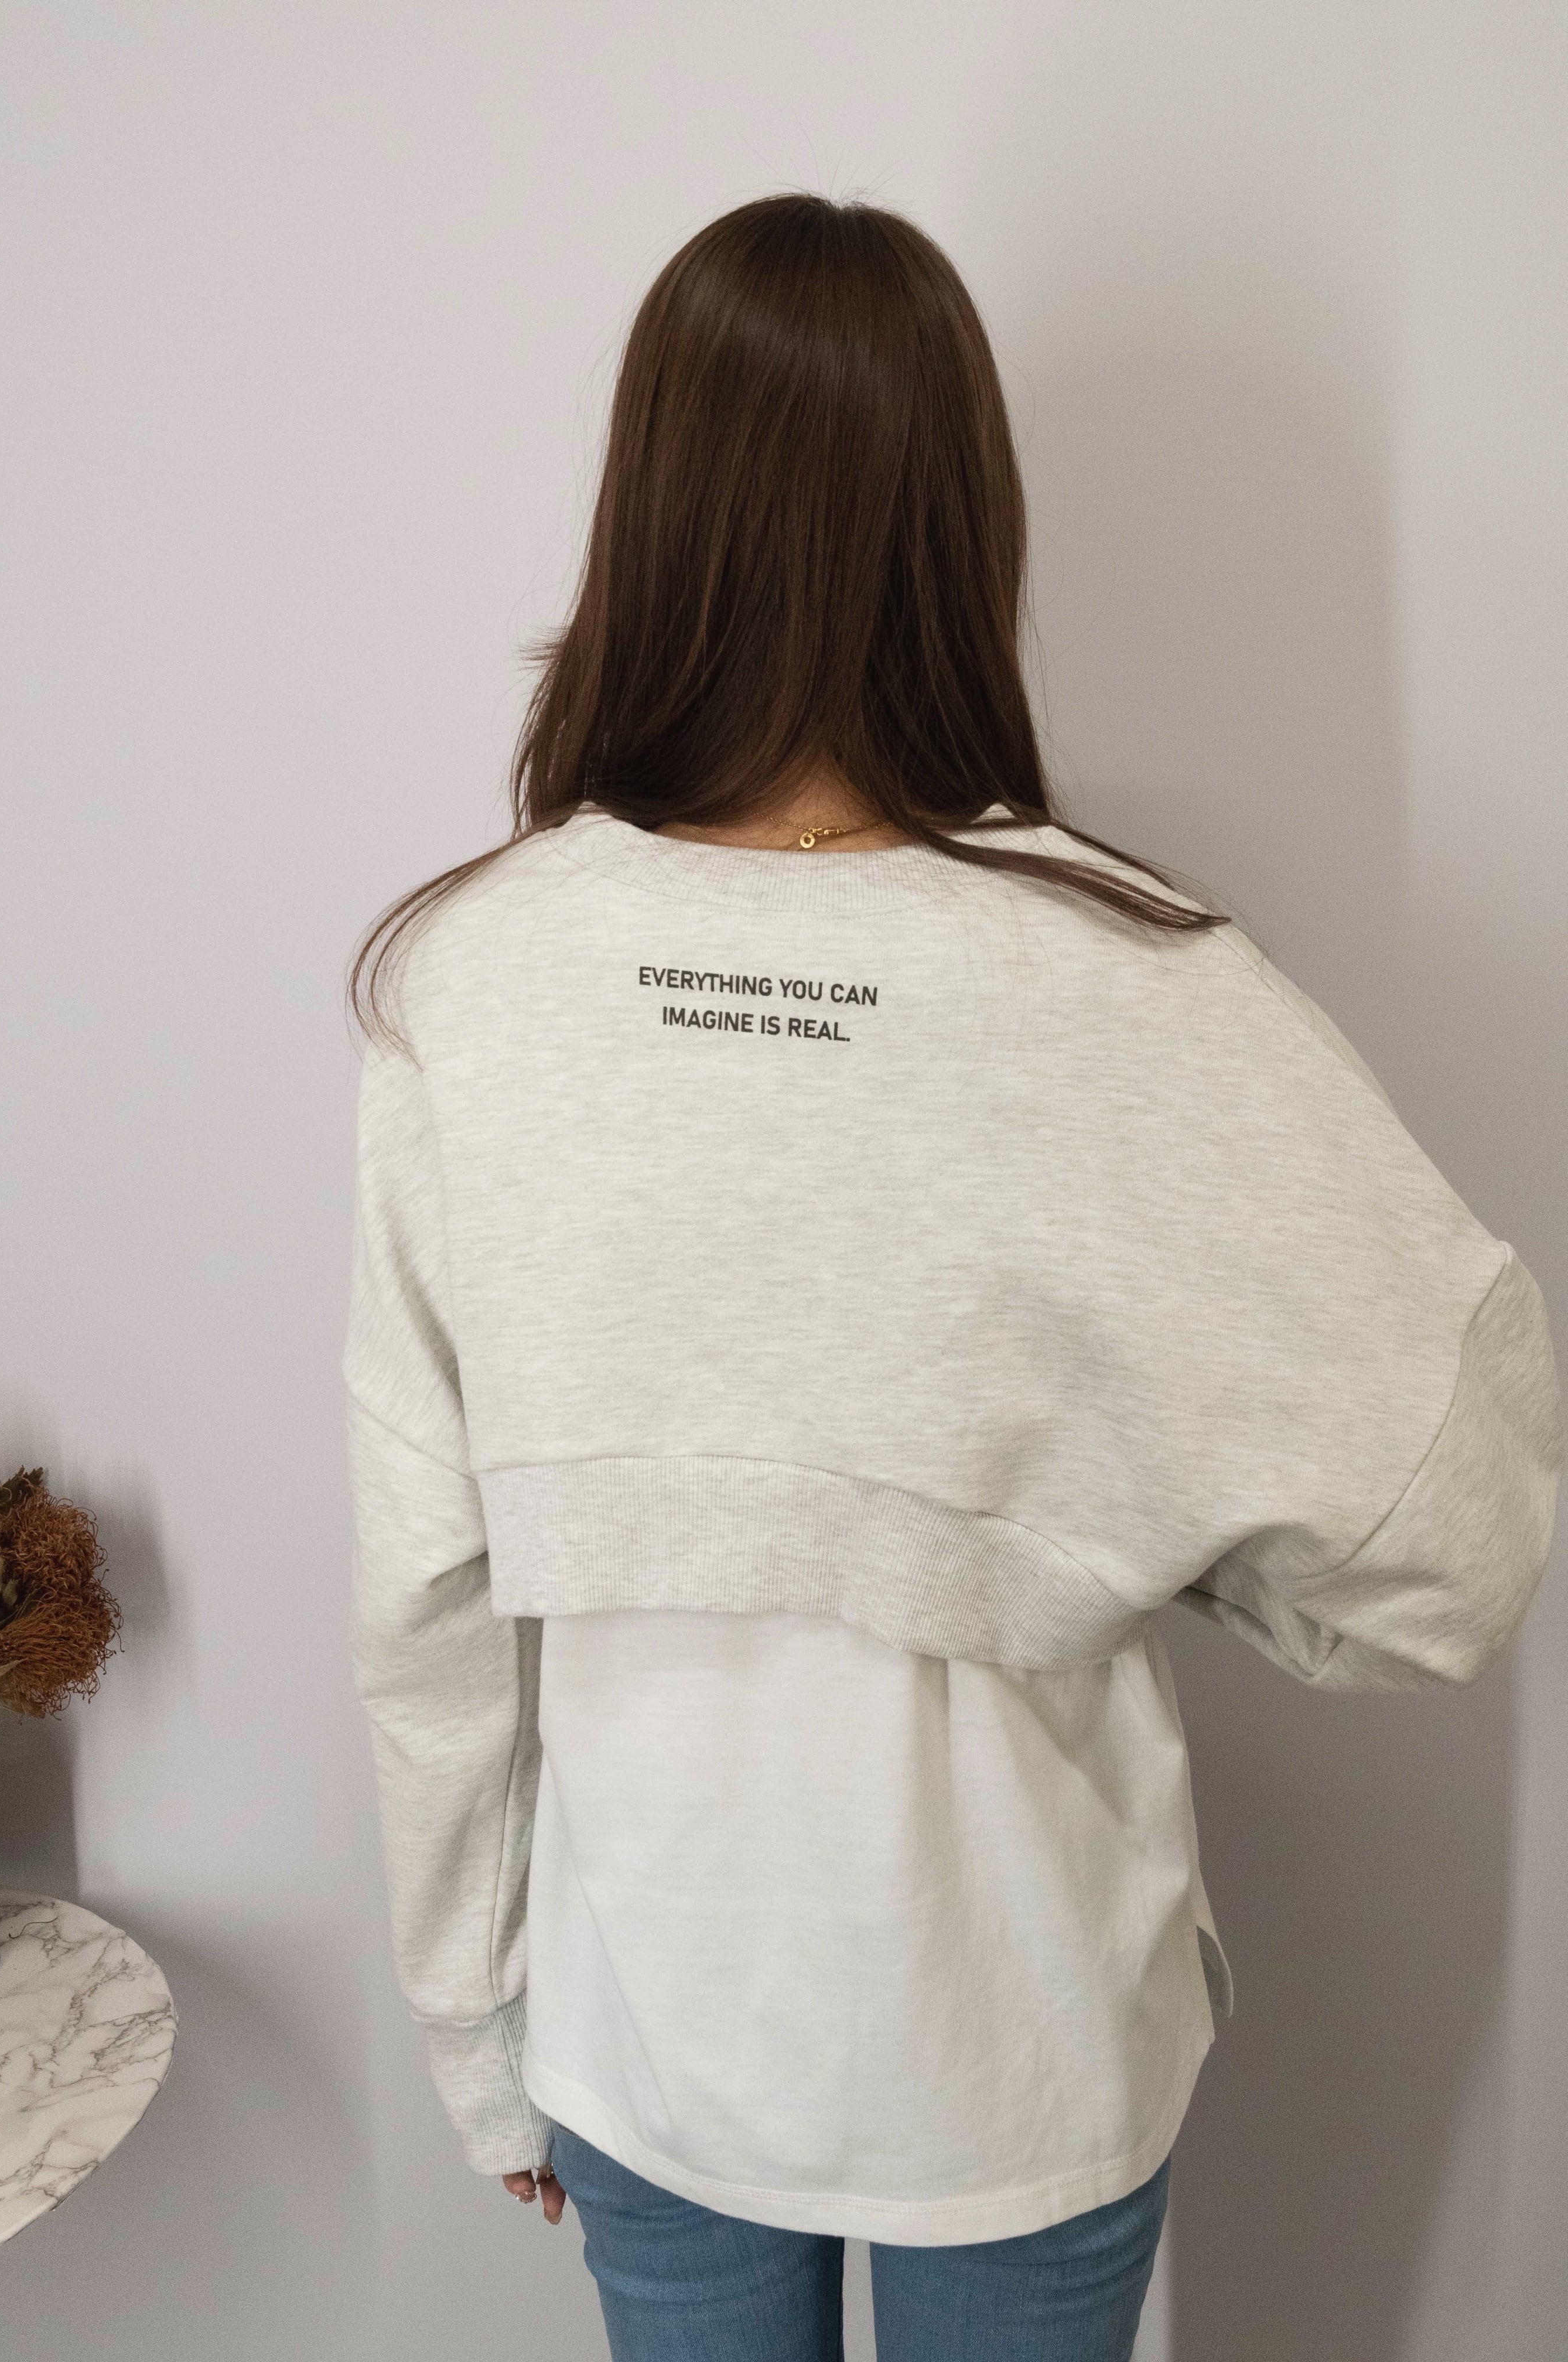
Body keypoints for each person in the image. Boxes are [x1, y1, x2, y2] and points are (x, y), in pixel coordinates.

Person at [341, 194, 1562, 2361]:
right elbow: (1456, 1539)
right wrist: (1120, 1530)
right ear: (963, 522)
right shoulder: (1135, 982)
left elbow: (424, 1592)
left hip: (644, 2023)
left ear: (651, 509)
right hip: (1026, 2037)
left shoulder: (474, 974)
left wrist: (473, 2022)